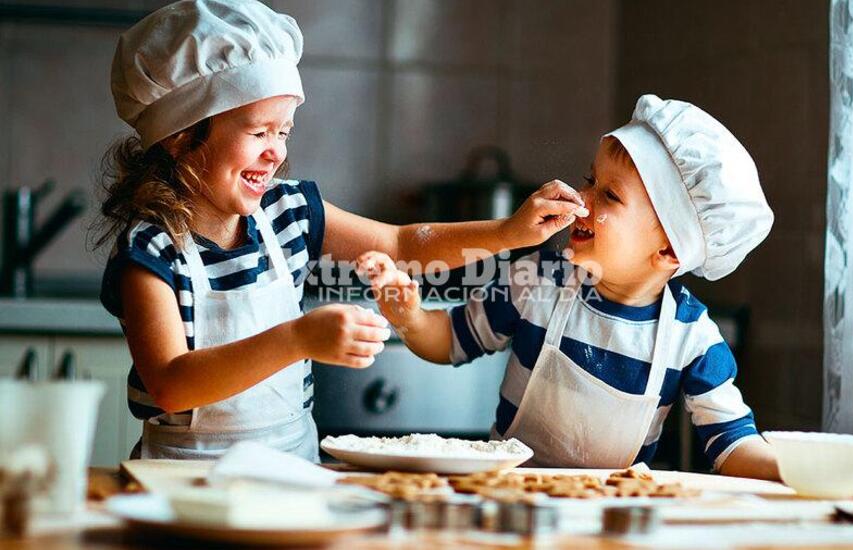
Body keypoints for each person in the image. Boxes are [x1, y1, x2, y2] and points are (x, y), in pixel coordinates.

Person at [96, 0, 583, 460]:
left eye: (284, 131)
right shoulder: (151, 249)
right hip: (181, 483)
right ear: (182, 136)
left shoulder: (290, 211)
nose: (276, 152)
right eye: (258, 131)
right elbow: (169, 382)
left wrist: (509, 233)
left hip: (293, 472)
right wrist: (296, 339)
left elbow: (402, 244)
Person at [359, 95, 781, 480]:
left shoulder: (692, 338)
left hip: (610, 517)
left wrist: (798, 470)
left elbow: (733, 444)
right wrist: (410, 317)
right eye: (589, 179)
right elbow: (450, 340)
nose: (582, 198)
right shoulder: (537, 280)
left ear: (670, 249)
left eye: (609, 196)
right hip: (506, 499)